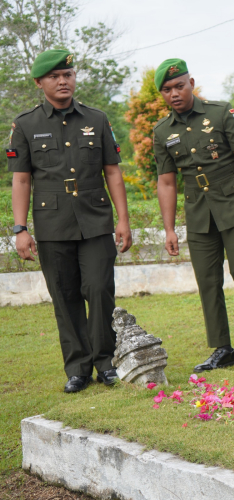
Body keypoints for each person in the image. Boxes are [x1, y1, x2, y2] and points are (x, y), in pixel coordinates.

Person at [7, 49, 132, 393]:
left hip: (95, 220)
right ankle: (78, 367)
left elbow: (112, 171)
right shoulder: (27, 124)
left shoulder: (97, 118)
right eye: (54, 77)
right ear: (39, 83)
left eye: (68, 74)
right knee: (64, 295)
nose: (63, 81)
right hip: (52, 223)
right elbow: (21, 180)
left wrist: (123, 220)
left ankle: (105, 362)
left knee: (99, 288)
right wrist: (20, 228)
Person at [151, 58, 234, 373]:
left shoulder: (221, 113)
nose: (174, 93)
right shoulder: (163, 131)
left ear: (191, 83)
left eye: (179, 85)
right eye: (167, 89)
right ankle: (223, 348)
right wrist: (169, 229)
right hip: (198, 213)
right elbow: (166, 182)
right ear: (162, 94)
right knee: (207, 280)